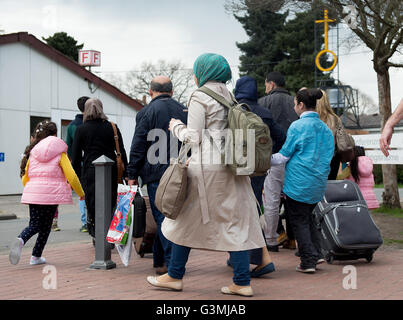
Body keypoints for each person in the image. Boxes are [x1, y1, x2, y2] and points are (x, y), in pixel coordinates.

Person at [146, 53, 266, 297]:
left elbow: (194, 136)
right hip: (234, 166)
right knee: (235, 224)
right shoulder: (228, 95)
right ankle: (242, 282)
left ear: (202, 72)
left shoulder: (199, 95)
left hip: (206, 169)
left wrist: (175, 127)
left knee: (182, 221)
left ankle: (174, 275)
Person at [127, 76, 187, 275]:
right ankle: (160, 261)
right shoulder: (184, 111)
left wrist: (132, 173)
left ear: (151, 92)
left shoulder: (146, 112)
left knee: (162, 218)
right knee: (175, 218)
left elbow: (138, 144)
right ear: (171, 91)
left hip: (155, 174)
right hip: (181, 171)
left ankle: (171, 266)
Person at [270, 88, 334, 273]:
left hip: (298, 183)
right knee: (309, 219)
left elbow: (284, 156)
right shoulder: (325, 128)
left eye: (294, 104)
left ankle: (308, 261)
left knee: (299, 222)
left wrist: (264, 161)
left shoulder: (297, 126)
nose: (294, 108)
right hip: (318, 183)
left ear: (301, 105)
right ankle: (318, 253)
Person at [9, 121, 84, 265]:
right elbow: (71, 175)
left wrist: (32, 189)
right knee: (45, 226)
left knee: (34, 224)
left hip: (34, 193)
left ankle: (23, 242)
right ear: (55, 134)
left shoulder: (34, 152)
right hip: (51, 195)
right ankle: (34, 255)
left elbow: (26, 176)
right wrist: (80, 192)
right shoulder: (60, 152)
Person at [233, 75, 286, 275]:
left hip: (237, 169)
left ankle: (250, 257)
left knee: (238, 213)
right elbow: (281, 137)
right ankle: (247, 256)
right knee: (253, 210)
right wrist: (270, 156)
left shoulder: (235, 112)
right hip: (258, 171)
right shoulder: (264, 113)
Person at [72, 98, 128, 243]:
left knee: (93, 205)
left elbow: (76, 157)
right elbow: (121, 152)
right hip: (111, 172)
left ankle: (97, 235)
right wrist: (127, 173)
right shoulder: (112, 127)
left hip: (90, 173)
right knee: (111, 204)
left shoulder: (81, 129)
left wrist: (77, 179)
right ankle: (110, 234)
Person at [258, 71, 299, 251]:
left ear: (271, 84)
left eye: (266, 84)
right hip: (295, 158)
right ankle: (293, 239)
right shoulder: (296, 103)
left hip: (273, 157)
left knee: (272, 200)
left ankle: (271, 240)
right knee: (294, 199)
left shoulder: (262, 103)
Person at [66, 96, 90, 233]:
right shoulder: (95, 124)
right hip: (94, 165)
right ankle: (92, 219)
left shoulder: (71, 127)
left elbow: (69, 149)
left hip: (79, 165)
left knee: (82, 194)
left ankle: (84, 221)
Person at [316, 89, 345, 180]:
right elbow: (340, 138)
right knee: (330, 187)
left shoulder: (313, 118)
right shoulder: (335, 119)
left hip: (316, 159)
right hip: (333, 158)